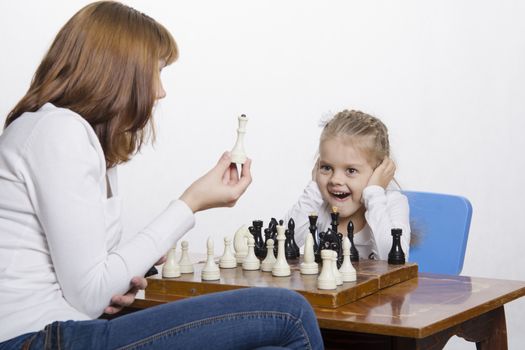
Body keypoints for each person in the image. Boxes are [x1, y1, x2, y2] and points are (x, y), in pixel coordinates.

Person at [0, 2, 323, 349]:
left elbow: (91, 282)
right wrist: (191, 203)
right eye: (155, 72)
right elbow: (90, 295)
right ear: (119, 72)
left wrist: (119, 282)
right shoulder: (58, 131)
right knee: (288, 313)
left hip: (57, 330)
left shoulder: (77, 138)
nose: (160, 91)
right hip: (31, 339)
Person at [284, 109, 410, 260]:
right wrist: (315, 188)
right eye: (326, 167)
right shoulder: (321, 204)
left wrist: (374, 193)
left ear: (378, 172)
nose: (335, 180)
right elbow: (284, 245)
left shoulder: (393, 204)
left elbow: (393, 263)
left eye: (351, 170)